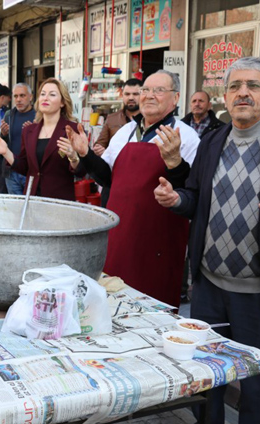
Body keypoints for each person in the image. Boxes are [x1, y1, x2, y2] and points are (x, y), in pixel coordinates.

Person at [154, 57, 260, 424]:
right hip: (207, 291)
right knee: (208, 384)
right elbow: (194, 197)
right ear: (225, 96)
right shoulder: (212, 141)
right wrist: (177, 201)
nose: (243, 93)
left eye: (253, 86)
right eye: (235, 86)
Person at [68, 70, 200, 307]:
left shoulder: (187, 137)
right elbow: (107, 177)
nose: (149, 95)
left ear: (175, 98)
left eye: (159, 90)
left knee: (152, 307)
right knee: (112, 302)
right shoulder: (125, 132)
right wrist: (86, 153)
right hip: (119, 235)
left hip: (158, 242)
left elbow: (190, 191)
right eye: (146, 90)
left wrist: (174, 163)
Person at [0, 78, 86, 201]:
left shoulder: (72, 130)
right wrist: (6, 152)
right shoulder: (29, 131)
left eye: (52, 94)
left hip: (60, 204)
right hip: (32, 201)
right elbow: (26, 168)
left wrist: (73, 157)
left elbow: (82, 172)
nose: (45, 98)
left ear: (62, 102)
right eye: (42, 94)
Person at [92, 78, 142, 206]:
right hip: (113, 179)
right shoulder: (112, 119)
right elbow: (99, 144)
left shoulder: (149, 120)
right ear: (122, 96)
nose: (131, 98)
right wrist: (101, 150)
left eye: (135, 94)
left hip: (138, 179)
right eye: (127, 94)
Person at [0, 83, 36, 195]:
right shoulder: (9, 115)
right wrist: (4, 134)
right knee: (15, 209)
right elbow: (4, 144)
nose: (18, 99)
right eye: (15, 96)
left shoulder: (39, 116)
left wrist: (33, 132)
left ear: (30, 97)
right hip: (12, 171)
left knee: (31, 208)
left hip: (30, 172)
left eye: (22, 95)